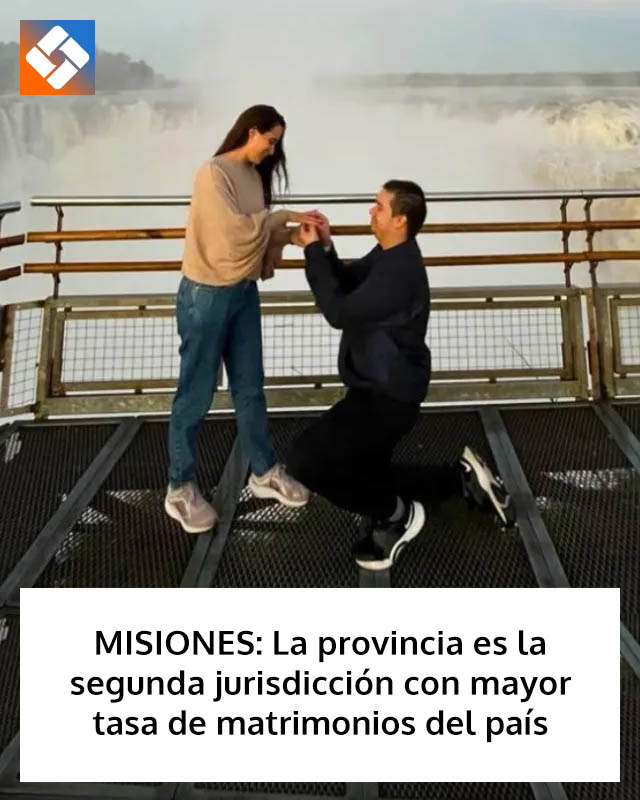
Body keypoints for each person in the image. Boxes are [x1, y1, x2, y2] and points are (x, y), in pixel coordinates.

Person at [287, 180, 515, 570]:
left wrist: (309, 251)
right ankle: (460, 481)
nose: (371, 211)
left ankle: (398, 516)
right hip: (381, 388)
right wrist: (324, 247)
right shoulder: (390, 255)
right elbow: (348, 283)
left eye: (379, 206)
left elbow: (339, 312)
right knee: (369, 472)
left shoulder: (400, 271)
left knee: (307, 461)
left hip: (384, 397)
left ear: (400, 219)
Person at [165, 105, 319, 534]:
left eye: (277, 144)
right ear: (251, 132)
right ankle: (179, 486)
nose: (273, 151)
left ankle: (264, 471)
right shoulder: (213, 173)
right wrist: (282, 217)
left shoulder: (252, 176)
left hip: (241, 293)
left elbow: (259, 234)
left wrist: (298, 233)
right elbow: (232, 234)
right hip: (206, 296)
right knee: (195, 393)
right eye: (270, 141)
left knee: (250, 387)